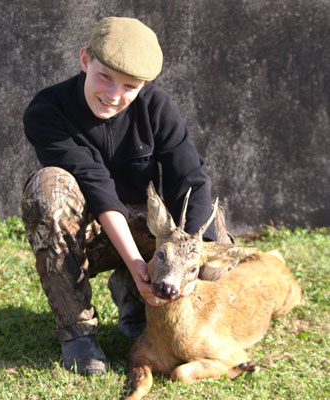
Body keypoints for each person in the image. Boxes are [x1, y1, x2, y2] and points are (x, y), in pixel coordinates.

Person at [21, 16, 232, 376]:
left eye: (130, 86)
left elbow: (190, 178)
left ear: (144, 85)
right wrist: (135, 264)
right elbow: (96, 183)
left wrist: (192, 256)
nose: (114, 95)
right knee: (47, 187)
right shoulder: (47, 110)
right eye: (105, 76)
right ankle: (78, 333)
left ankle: (138, 302)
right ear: (85, 58)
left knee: (215, 265)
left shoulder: (156, 107)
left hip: (153, 231)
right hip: (88, 237)